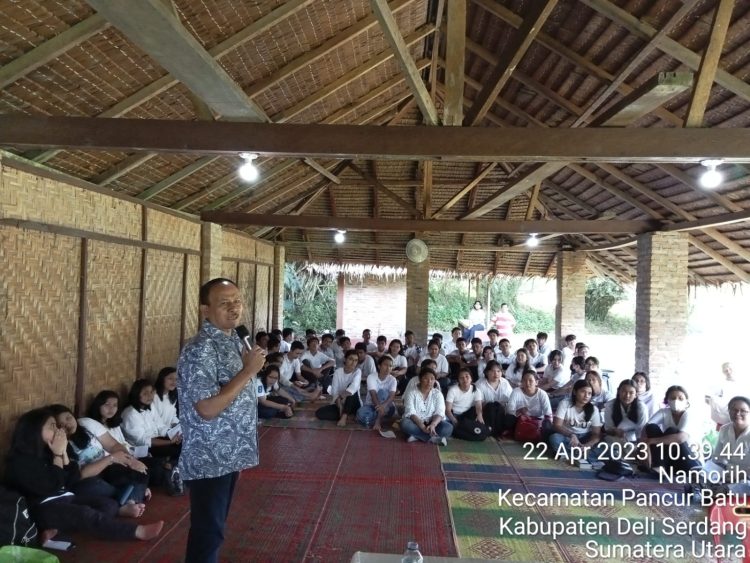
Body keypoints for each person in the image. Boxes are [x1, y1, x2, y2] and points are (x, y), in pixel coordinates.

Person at [177, 277, 266, 563]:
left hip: (229, 453)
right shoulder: (200, 349)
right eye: (224, 303)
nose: (234, 308)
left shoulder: (232, 342)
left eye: (237, 301)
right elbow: (206, 408)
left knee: (214, 529)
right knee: (208, 532)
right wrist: (247, 372)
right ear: (205, 310)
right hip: (209, 456)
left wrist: (246, 366)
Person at [5, 407, 163, 542]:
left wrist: (62, 454)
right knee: (84, 514)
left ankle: (57, 529)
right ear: (34, 431)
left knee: (109, 505)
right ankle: (136, 532)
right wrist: (58, 455)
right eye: (52, 426)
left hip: (65, 497)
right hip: (42, 507)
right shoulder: (19, 462)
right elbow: (53, 485)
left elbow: (72, 476)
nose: (58, 430)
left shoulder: (48, 451)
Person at [48, 404, 150, 505]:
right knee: (91, 487)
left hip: (110, 469)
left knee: (142, 470)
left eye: (68, 418)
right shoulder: (59, 443)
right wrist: (111, 459)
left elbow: (113, 445)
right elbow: (80, 474)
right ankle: (131, 495)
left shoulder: (85, 424)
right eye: (61, 425)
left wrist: (132, 461)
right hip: (91, 478)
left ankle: (128, 497)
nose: (68, 424)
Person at [641, 385, 702, 479]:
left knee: (672, 431)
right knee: (651, 427)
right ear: (667, 400)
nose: (676, 401)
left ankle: (658, 466)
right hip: (671, 460)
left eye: (680, 398)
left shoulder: (689, 414)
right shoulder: (664, 412)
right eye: (672, 398)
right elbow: (645, 429)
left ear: (686, 401)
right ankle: (658, 467)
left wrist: (650, 441)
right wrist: (646, 447)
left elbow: (681, 438)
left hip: (688, 460)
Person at [548, 380, 602, 461]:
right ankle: (578, 456)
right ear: (575, 392)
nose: (586, 396)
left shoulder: (594, 409)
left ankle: (567, 454)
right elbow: (557, 425)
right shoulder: (565, 403)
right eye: (583, 392)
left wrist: (587, 445)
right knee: (554, 438)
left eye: (589, 393)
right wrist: (572, 435)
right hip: (567, 436)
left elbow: (596, 434)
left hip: (585, 437)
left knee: (601, 444)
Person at [401, 367, 453, 445]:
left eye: (432, 379)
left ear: (435, 380)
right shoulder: (411, 392)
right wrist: (422, 427)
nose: (429, 381)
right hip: (416, 423)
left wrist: (433, 424)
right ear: (420, 379)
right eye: (426, 378)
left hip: (432, 423)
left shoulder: (437, 394)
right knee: (405, 424)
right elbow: (410, 412)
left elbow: (440, 412)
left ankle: (416, 436)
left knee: (448, 428)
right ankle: (433, 438)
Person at [316, 350, 362, 427]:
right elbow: (334, 391)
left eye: (356, 360)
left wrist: (341, 397)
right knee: (319, 413)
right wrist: (340, 406)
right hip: (340, 402)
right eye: (351, 359)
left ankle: (344, 417)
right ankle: (347, 415)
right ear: (345, 359)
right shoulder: (338, 372)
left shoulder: (357, 371)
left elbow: (353, 387)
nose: (353, 362)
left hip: (354, 403)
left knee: (350, 390)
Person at [506, 370, 553, 438]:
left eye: (530, 380)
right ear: (521, 382)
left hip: (537, 421)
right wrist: (519, 410)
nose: (527, 383)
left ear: (536, 382)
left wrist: (546, 425)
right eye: (524, 380)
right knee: (508, 418)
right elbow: (509, 410)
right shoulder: (516, 391)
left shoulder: (542, 394)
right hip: (521, 420)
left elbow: (548, 414)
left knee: (548, 425)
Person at [357, 355, 397, 431]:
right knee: (362, 414)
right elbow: (373, 395)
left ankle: (378, 420)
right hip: (371, 405)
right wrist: (380, 408)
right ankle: (383, 418)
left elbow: (392, 396)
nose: (388, 368)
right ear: (379, 366)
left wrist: (383, 407)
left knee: (382, 392)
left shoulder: (393, 379)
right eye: (385, 365)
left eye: (390, 366)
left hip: (387, 407)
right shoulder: (371, 377)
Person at [445, 368, 487, 441]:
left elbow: (478, 407)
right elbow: (448, 410)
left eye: (467, 376)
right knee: (446, 425)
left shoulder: (476, 390)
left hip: (468, 416)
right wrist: (455, 421)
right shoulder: (453, 390)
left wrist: (479, 415)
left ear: (471, 378)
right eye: (461, 378)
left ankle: (460, 431)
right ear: (458, 380)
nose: (465, 379)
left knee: (477, 418)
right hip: (454, 415)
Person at [603, 379, 648, 445]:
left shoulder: (641, 407)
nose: (627, 395)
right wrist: (615, 432)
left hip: (635, 439)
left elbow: (641, 431)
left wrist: (640, 447)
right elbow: (608, 428)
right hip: (615, 437)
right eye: (624, 391)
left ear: (636, 394)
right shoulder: (610, 405)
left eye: (631, 393)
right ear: (618, 391)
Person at [706, 362, 741, 427]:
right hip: (724, 417)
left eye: (730, 369)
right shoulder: (720, 384)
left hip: (740, 415)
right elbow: (708, 397)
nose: (728, 372)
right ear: (723, 372)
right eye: (726, 370)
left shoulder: (743, 383)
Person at [153, 367, 180, 433]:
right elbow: (155, 420)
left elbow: (173, 416)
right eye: (170, 378)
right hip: (157, 434)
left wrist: (177, 426)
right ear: (162, 379)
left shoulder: (172, 396)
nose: (174, 382)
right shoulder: (153, 397)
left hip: (168, 432)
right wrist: (168, 432)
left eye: (176, 379)